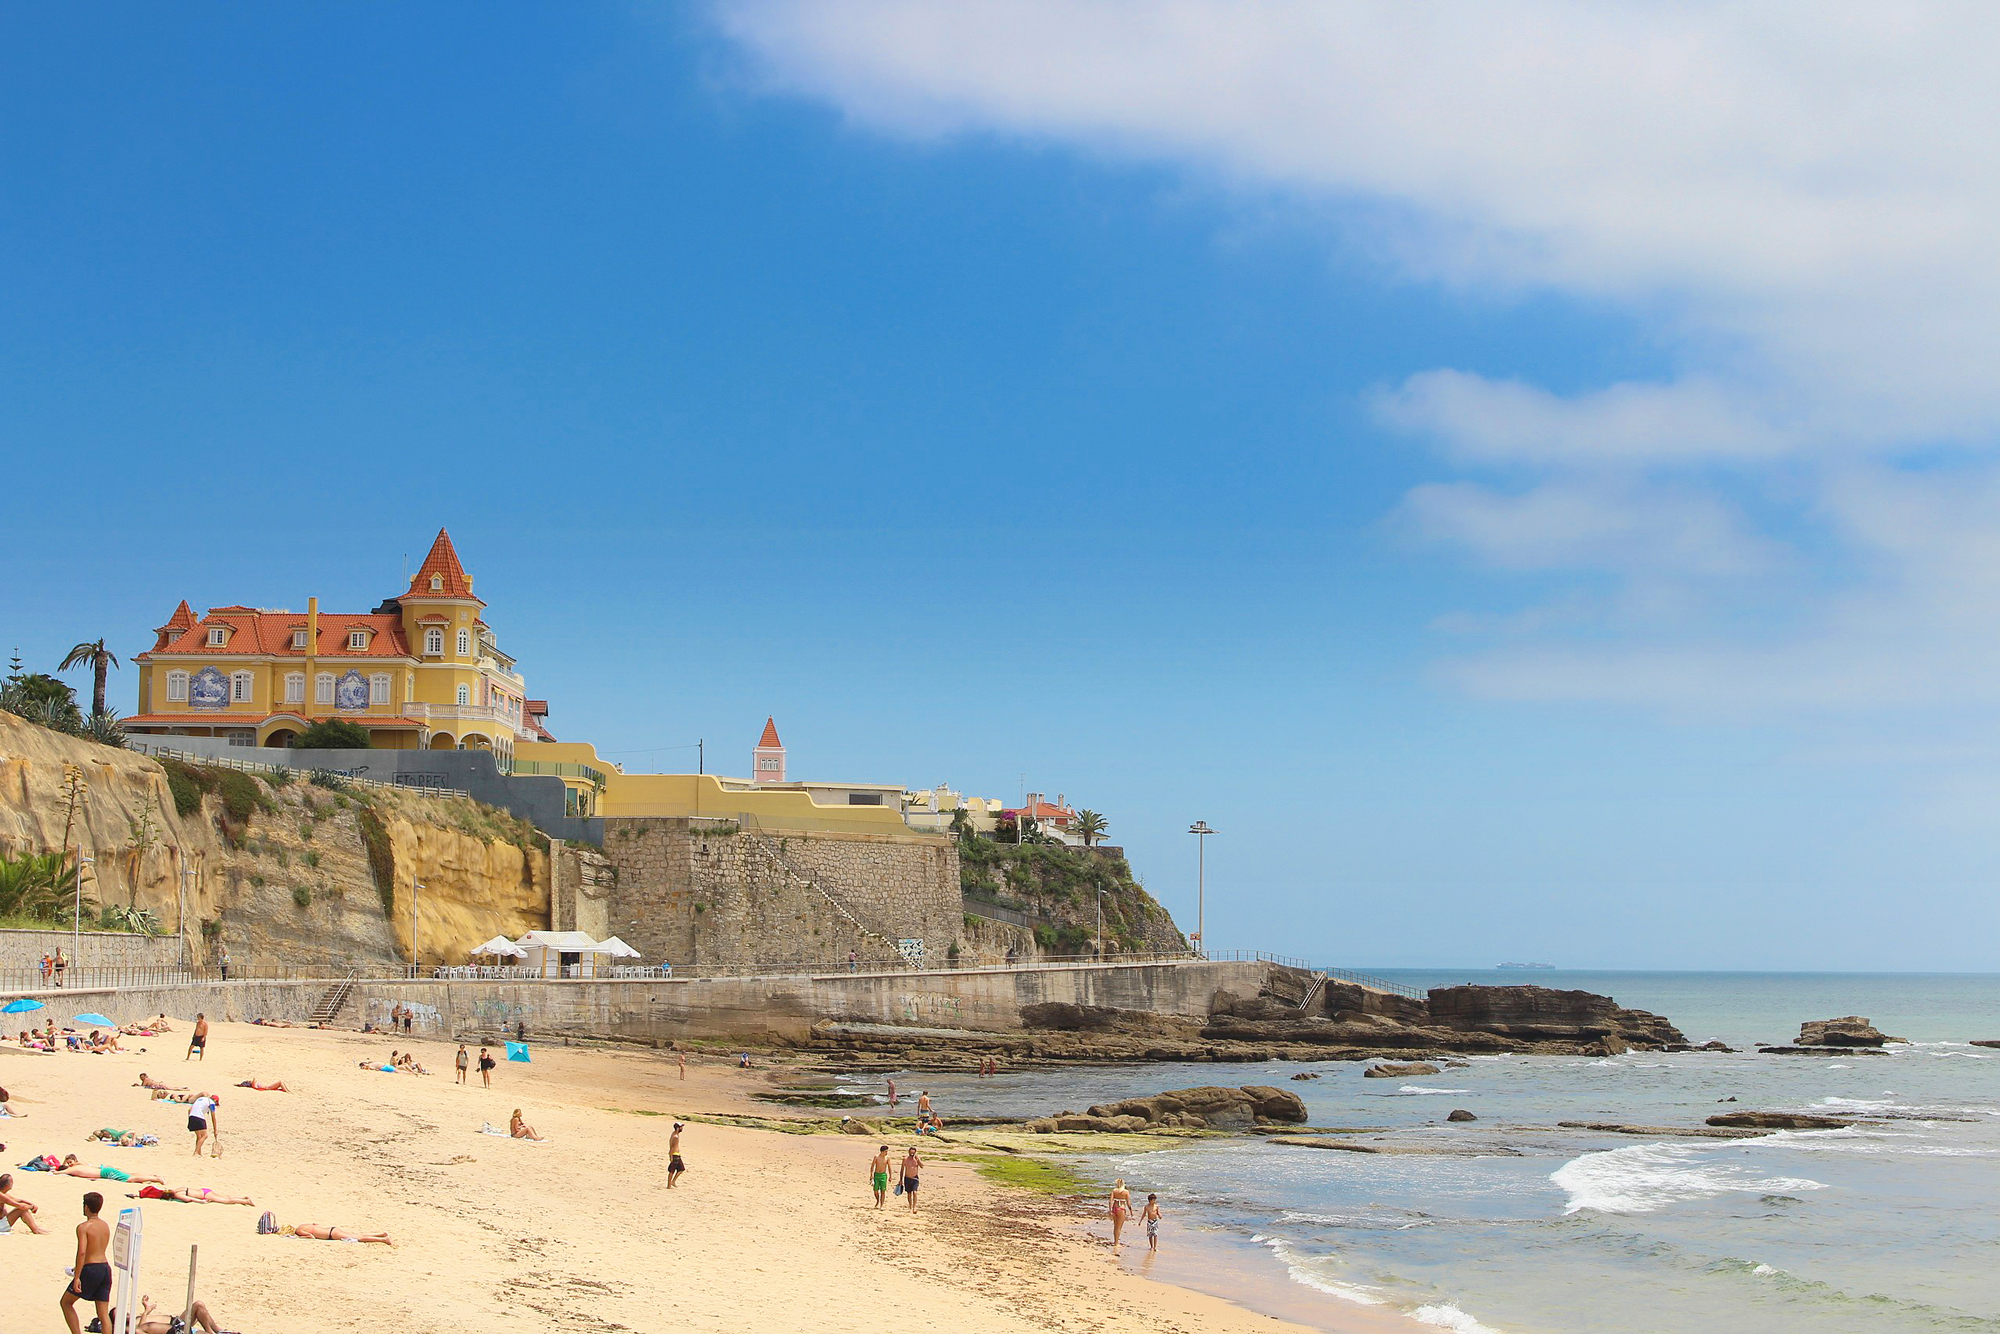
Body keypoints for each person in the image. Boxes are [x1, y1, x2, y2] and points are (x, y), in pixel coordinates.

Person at [59, 1191, 111, 1334]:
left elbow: (82, 1252)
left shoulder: (84, 1227)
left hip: (91, 1269)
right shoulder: (105, 1226)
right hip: (105, 1268)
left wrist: (77, 1276)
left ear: (86, 1207)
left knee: (66, 1302)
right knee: (103, 1314)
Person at [112, 1292, 228, 1334]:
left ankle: (219, 1330)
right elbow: (140, 1329)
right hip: (175, 1327)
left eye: (124, 1312)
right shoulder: (133, 1325)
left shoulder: (137, 1318)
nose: (125, 1315)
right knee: (198, 1305)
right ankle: (215, 1332)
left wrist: (146, 1310)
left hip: (175, 1321)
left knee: (199, 1306)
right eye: (119, 1315)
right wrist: (146, 1312)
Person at [59, 1157, 166, 1186]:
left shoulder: (72, 1169)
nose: (69, 1164)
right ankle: (153, 1176)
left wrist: (58, 1169)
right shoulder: (79, 1165)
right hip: (104, 1170)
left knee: (130, 1179)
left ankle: (156, 1178)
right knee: (130, 1174)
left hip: (105, 1173)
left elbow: (58, 1172)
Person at [134, 1185, 255, 1206]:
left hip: (203, 1195)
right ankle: (242, 1198)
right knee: (225, 1196)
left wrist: (201, 1202)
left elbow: (189, 1199)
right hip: (203, 1190)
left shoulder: (177, 1194)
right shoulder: (178, 1189)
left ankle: (245, 1201)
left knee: (225, 1201)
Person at [280, 1222, 392, 1244]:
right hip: (331, 1229)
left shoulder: (299, 1231)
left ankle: (383, 1239)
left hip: (331, 1235)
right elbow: (316, 1224)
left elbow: (311, 1237)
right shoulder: (302, 1225)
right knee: (357, 1235)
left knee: (360, 1238)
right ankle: (380, 1234)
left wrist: (300, 1238)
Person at [187, 1091, 217, 1156]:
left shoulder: (200, 1099)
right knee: (205, 1135)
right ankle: (196, 1152)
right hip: (199, 1117)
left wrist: (190, 1119)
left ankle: (199, 1153)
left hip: (191, 1117)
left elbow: (189, 1110)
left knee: (199, 1136)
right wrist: (215, 1130)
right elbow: (213, 1117)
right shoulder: (211, 1103)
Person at [1108, 1179, 1132, 1254]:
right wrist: (1131, 1210)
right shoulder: (1125, 1192)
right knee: (1119, 1227)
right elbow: (1128, 1203)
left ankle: (1115, 1241)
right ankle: (1116, 1243)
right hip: (1121, 1209)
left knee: (1115, 1226)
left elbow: (1110, 1201)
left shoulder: (1114, 1191)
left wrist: (1110, 1210)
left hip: (1115, 1208)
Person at [898, 1146, 922, 1213]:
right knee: (909, 1193)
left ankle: (914, 1207)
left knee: (915, 1192)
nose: (912, 1155)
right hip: (907, 1178)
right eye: (911, 1153)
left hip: (915, 1178)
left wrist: (918, 1160)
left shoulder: (916, 1159)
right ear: (909, 1152)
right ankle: (910, 1207)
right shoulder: (905, 1159)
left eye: (913, 1153)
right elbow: (902, 1170)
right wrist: (900, 1179)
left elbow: (922, 1166)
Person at [870, 1144, 891, 1209]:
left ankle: (881, 1205)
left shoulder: (887, 1158)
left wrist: (890, 1176)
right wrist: (871, 1175)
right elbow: (872, 1166)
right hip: (876, 1175)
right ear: (882, 1151)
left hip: (883, 1175)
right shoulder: (876, 1157)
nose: (886, 1152)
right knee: (875, 1190)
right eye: (885, 1151)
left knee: (883, 1190)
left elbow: (889, 1167)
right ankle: (877, 1200)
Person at [667, 1122, 686, 1188]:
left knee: (681, 1169)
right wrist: (671, 1156)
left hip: (677, 1154)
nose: (682, 1128)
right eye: (681, 1127)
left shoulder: (675, 1134)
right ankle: (669, 1185)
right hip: (675, 1154)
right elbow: (672, 1146)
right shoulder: (675, 1137)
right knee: (672, 1170)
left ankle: (673, 1181)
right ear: (678, 1128)